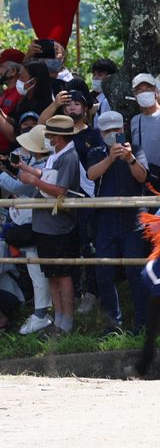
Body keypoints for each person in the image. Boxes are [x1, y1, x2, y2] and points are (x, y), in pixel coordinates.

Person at [18, 115, 84, 334]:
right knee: (52, 275)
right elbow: (48, 177)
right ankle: (57, 320)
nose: (47, 138)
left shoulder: (69, 157)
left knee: (63, 275)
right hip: (45, 225)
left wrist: (33, 181)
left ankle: (67, 322)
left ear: (59, 137)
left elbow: (60, 191)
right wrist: (27, 171)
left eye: (50, 135)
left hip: (59, 226)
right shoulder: (57, 155)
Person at [85, 111, 150, 331]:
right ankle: (113, 324)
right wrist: (110, 158)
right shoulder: (95, 152)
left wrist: (129, 158)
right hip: (105, 218)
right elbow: (91, 175)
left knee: (136, 271)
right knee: (104, 271)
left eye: (117, 130)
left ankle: (143, 322)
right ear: (101, 133)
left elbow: (142, 177)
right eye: (108, 131)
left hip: (133, 218)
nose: (114, 135)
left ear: (123, 130)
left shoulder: (136, 149)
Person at [2, 124, 52, 334]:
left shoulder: (43, 165)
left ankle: (42, 313)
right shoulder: (39, 161)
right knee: (35, 270)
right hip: (29, 222)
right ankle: (41, 311)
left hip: (36, 223)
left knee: (38, 271)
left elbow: (18, 188)